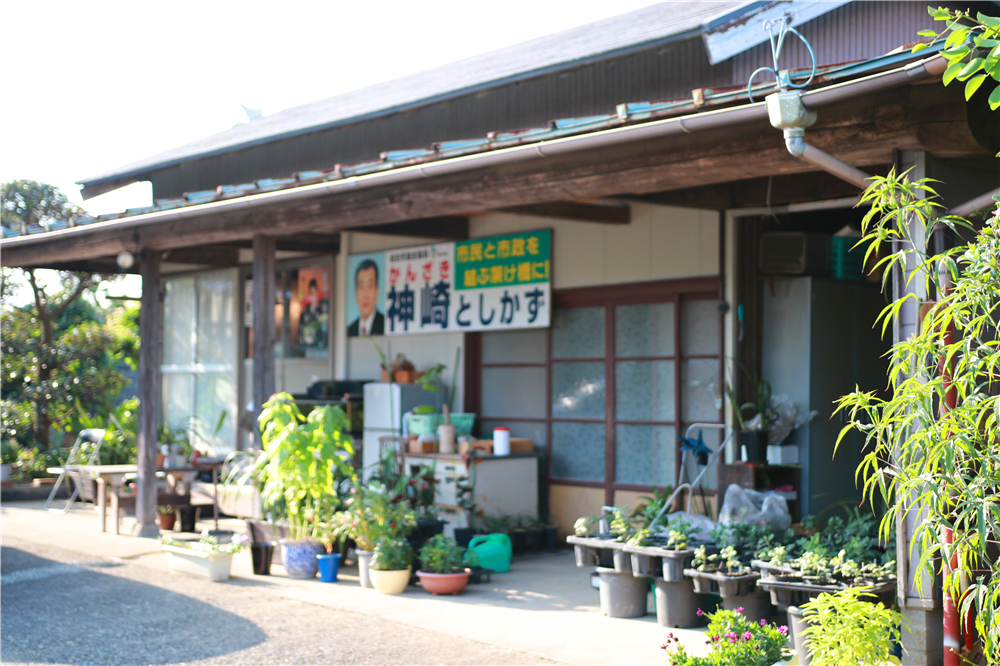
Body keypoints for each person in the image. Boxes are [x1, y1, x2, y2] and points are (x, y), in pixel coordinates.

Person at [347, 259, 384, 336]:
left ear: (377, 291)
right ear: (355, 294)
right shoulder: (349, 330)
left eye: (370, 286)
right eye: (361, 287)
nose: (365, 295)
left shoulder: (385, 324)